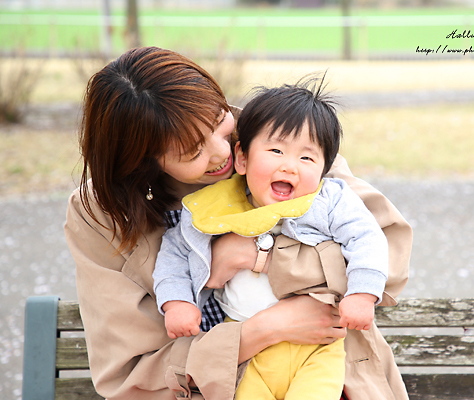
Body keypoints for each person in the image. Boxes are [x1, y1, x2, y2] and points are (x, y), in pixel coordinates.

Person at [64, 46, 413, 400]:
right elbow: (128, 374)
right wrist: (259, 331)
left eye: (219, 121)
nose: (224, 152)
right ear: (143, 163)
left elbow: (388, 252)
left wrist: (262, 257)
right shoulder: (100, 217)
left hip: (329, 372)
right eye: (193, 152)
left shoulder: (278, 137)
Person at [153, 79, 389, 400]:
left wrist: (362, 294)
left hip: (317, 349)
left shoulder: (330, 201)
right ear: (243, 158)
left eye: (307, 159)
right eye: (276, 150)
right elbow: (175, 255)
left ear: (324, 168)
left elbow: (367, 240)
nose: (289, 166)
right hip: (248, 353)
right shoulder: (215, 207)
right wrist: (176, 302)